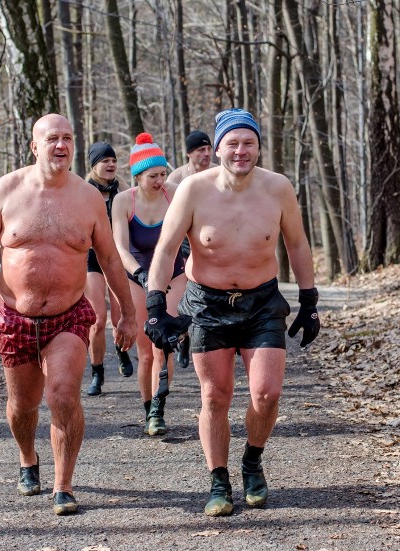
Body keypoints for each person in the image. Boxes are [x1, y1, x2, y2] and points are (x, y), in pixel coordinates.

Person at [0, 114, 138, 516]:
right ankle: (28, 458)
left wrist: (127, 314)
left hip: (68, 316)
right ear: (35, 147)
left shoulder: (87, 198)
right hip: (15, 317)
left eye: (67, 138)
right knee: (22, 405)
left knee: (63, 396)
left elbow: (109, 259)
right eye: (52, 139)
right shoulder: (8, 190)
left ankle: (63, 485)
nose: (60, 145)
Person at [144, 109, 320, 516]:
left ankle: (252, 462)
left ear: (259, 147)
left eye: (249, 143)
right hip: (207, 303)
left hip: (262, 303)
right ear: (218, 147)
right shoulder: (193, 190)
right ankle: (218, 480)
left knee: (267, 392)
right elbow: (167, 248)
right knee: (215, 395)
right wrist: (155, 304)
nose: (241, 151)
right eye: (233, 143)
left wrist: (310, 302)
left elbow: (296, 244)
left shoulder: (278, 188)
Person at [111, 133, 187, 436]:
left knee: (162, 346)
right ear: (137, 176)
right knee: (145, 351)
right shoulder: (122, 201)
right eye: (153, 175)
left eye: (163, 173)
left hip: (173, 275)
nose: (160, 180)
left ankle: (159, 408)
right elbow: (120, 248)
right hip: (137, 276)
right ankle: (147, 409)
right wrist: (142, 276)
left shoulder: (177, 194)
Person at [84, 142, 135, 396]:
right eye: (105, 161)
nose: (111, 164)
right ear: (94, 165)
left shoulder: (123, 190)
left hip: (115, 258)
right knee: (97, 319)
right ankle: (97, 372)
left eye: (113, 160)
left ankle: (122, 351)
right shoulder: (83, 191)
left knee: (118, 318)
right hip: (91, 259)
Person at [166, 130, 215, 369]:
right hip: (185, 239)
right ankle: (184, 337)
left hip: (214, 239)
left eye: (208, 149)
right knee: (187, 288)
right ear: (188, 153)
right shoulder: (176, 179)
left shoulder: (219, 173)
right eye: (200, 150)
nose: (206, 154)